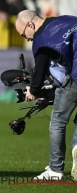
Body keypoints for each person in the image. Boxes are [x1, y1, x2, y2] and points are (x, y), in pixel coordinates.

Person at [15, 10, 77, 180]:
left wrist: (33, 91)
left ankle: (55, 170)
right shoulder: (65, 19)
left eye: (23, 34)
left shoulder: (41, 39)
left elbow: (41, 69)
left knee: (58, 122)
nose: (26, 38)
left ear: (30, 25)